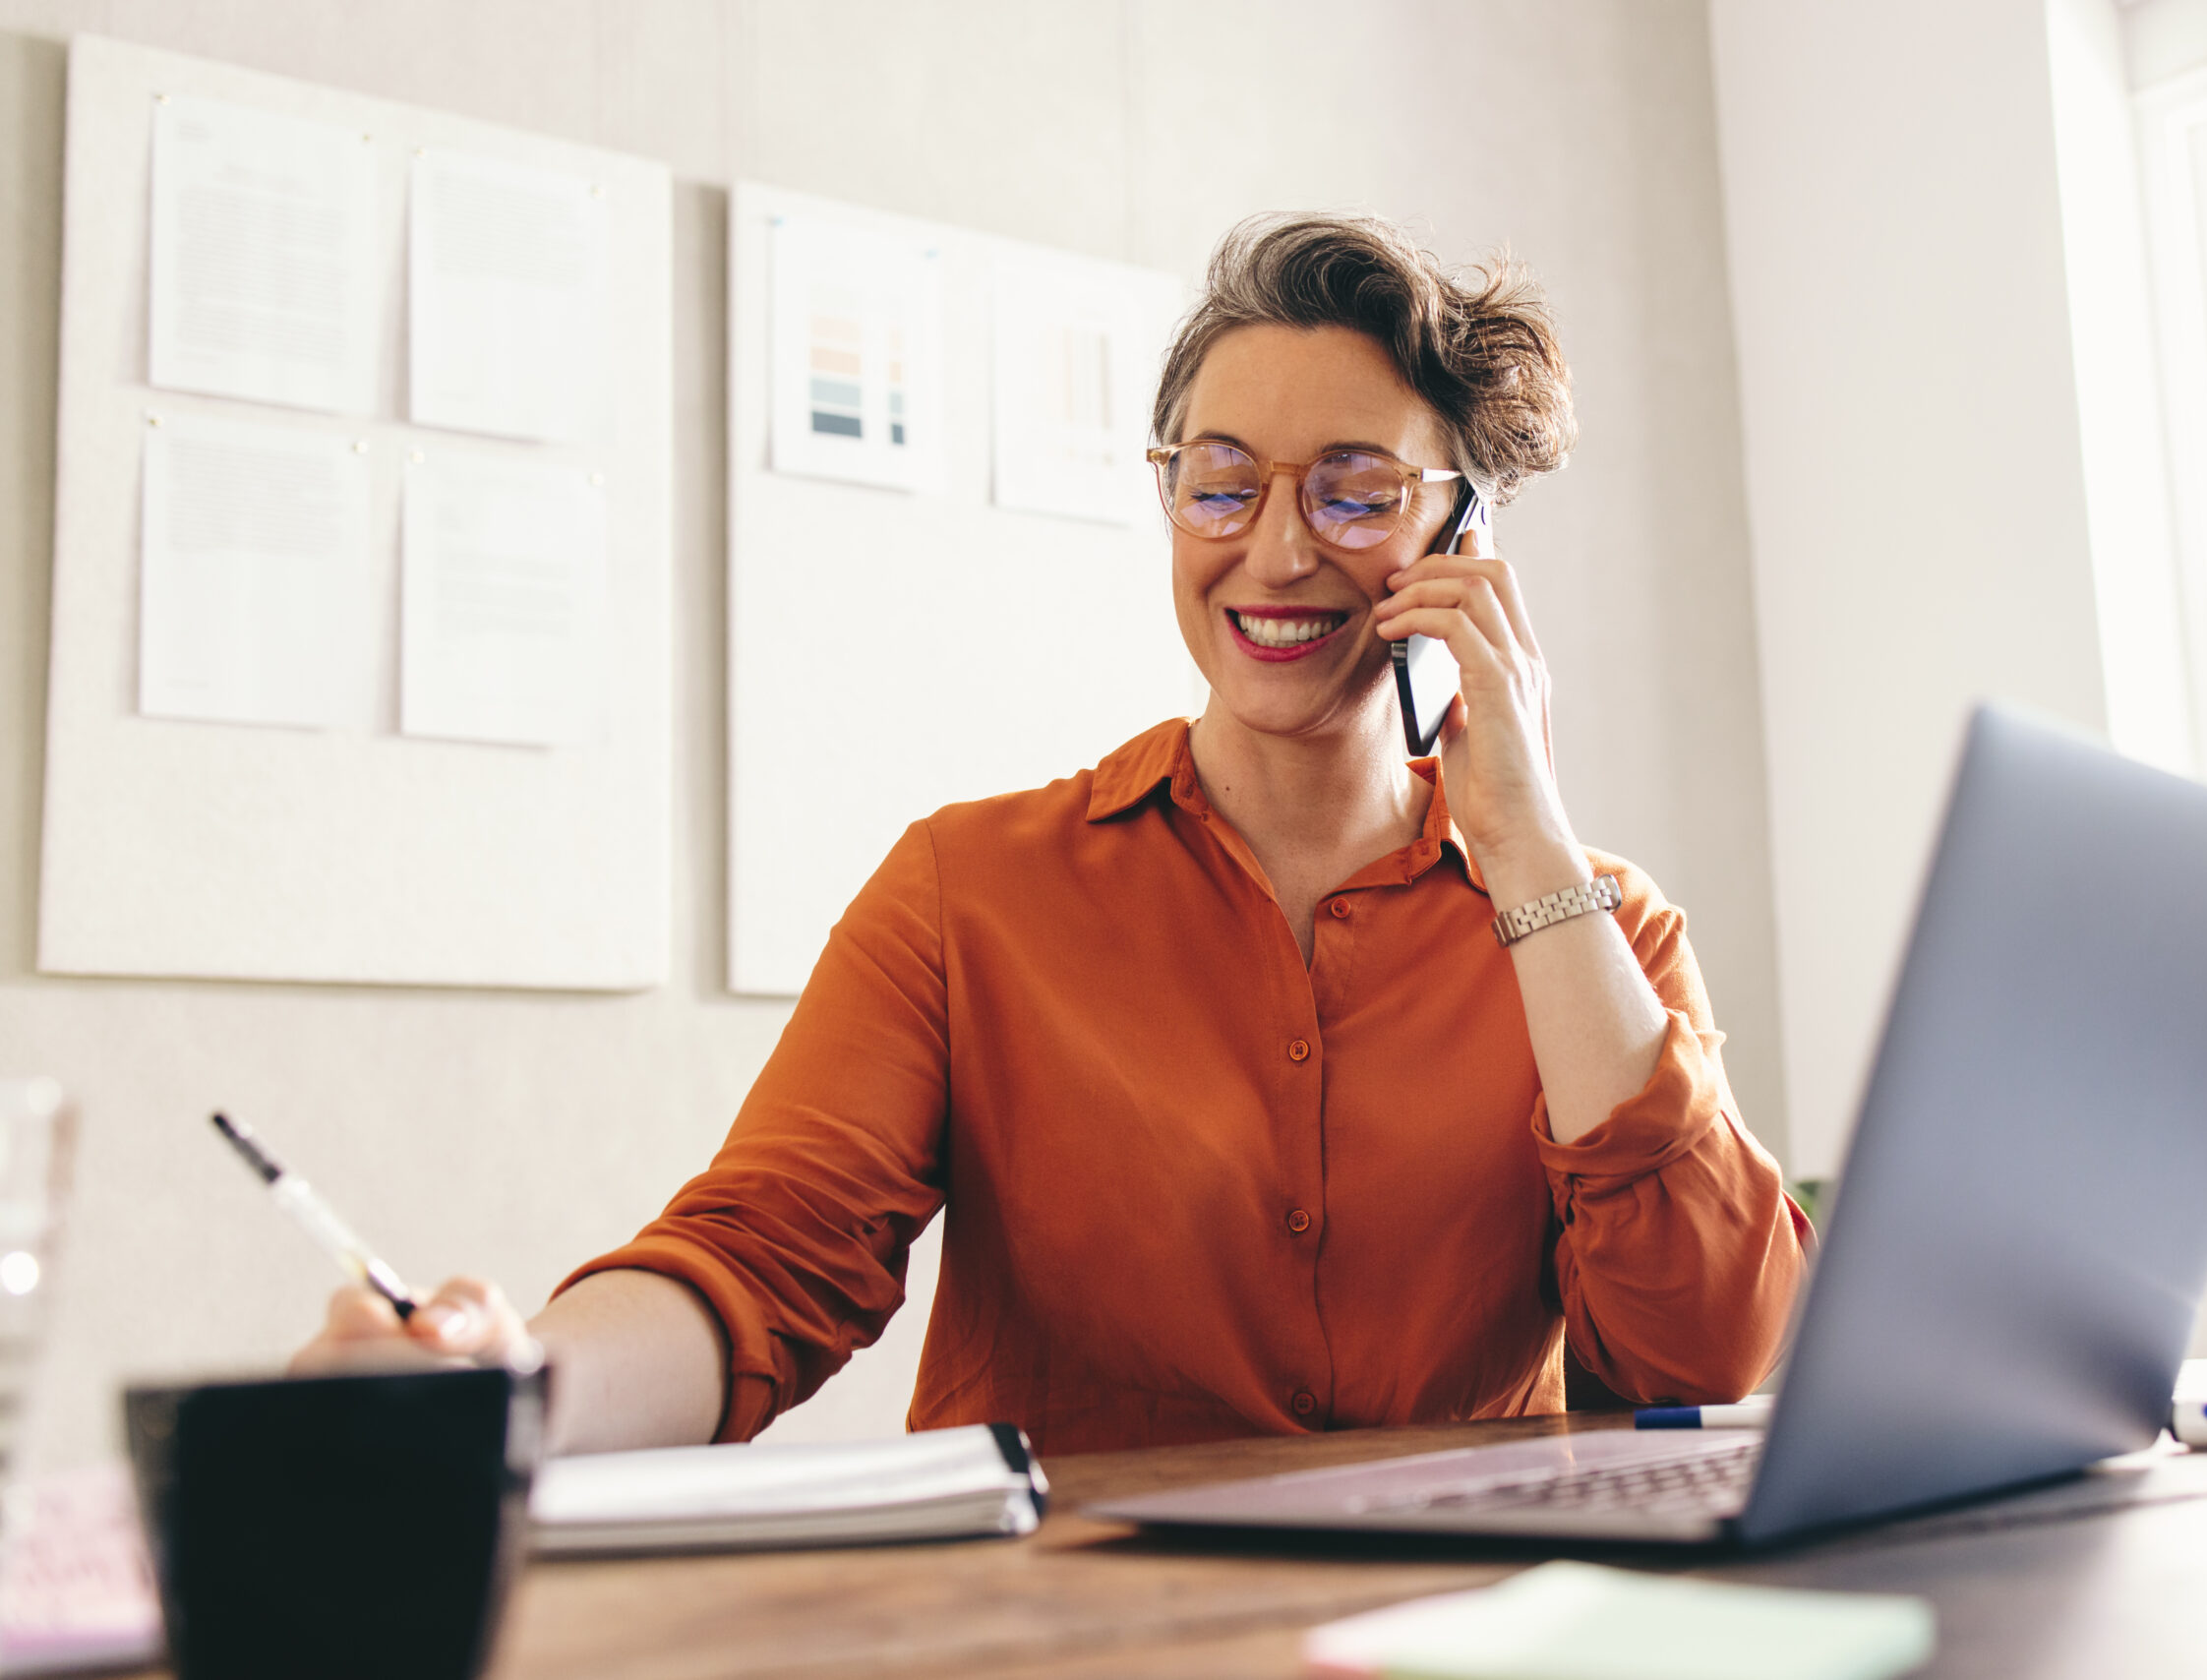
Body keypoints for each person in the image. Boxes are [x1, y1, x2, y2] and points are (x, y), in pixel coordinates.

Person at [296, 212, 1811, 1457]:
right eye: (1222, 481)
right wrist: (507, 1400)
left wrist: (1532, 856)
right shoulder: (972, 893)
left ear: (1459, 533)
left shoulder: (1602, 930)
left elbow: (1717, 1358)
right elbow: (766, 1262)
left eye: (1356, 493)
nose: (1275, 550)